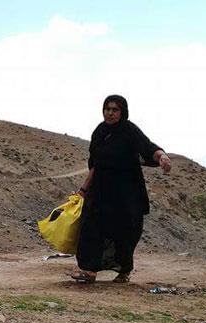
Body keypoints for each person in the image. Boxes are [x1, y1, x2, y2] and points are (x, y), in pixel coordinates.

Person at [71, 95, 171, 283]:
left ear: (122, 112)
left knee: (126, 230)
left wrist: (162, 157)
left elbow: (148, 148)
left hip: (127, 191)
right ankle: (89, 270)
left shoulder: (129, 131)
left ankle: (124, 270)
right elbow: (95, 164)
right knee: (91, 226)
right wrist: (84, 189)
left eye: (114, 110)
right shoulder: (99, 132)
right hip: (101, 190)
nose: (110, 113)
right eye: (107, 109)